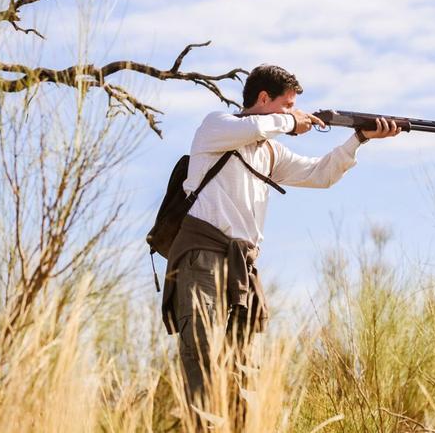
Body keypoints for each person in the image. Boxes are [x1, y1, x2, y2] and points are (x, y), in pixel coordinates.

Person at [161, 64, 400, 425]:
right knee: (203, 362)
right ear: (263, 99)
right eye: (287, 105)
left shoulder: (270, 152)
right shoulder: (216, 126)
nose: (294, 113)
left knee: (243, 373)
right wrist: (291, 122)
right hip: (203, 259)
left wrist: (359, 139)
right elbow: (259, 126)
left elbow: (321, 174)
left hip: (242, 268)